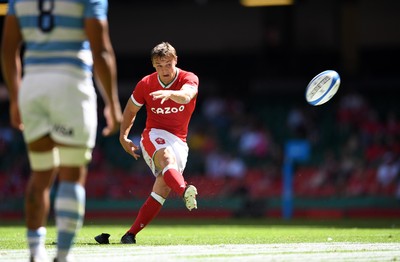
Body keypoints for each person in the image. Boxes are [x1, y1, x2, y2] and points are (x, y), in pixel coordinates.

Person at [1, 0, 121, 261]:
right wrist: (112, 103)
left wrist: (15, 97)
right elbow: (101, 51)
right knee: (71, 175)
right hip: (71, 83)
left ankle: (35, 251)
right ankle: (62, 256)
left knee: (40, 173)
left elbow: (8, 49)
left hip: (33, 86)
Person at [95, 42, 199, 245]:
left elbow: (187, 96)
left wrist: (171, 94)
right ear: (153, 65)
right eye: (159, 66)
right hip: (154, 134)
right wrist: (123, 137)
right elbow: (130, 111)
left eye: (167, 64)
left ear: (175, 60)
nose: (164, 70)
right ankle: (185, 189)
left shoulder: (189, 77)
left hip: (179, 140)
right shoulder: (146, 84)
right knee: (166, 159)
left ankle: (130, 235)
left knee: (162, 189)